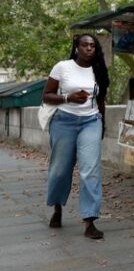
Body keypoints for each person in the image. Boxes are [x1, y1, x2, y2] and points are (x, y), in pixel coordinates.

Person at [43, 33, 110, 239]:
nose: (89, 48)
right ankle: (57, 208)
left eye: (92, 45)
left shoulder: (98, 70)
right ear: (77, 47)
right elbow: (46, 95)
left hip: (91, 122)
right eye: (85, 45)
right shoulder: (62, 67)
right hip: (64, 121)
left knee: (90, 170)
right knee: (60, 170)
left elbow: (100, 100)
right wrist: (67, 97)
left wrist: (102, 124)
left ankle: (90, 221)